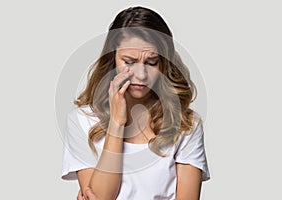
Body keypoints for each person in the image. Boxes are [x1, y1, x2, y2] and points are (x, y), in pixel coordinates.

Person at [61, 6, 210, 200]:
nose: (141, 75)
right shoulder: (80, 121)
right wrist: (116, 123)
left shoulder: (186, 125)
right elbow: (101, 197)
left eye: (151, 62)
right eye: (129, 61)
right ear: (112, 59)